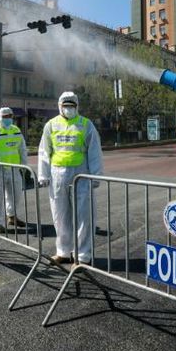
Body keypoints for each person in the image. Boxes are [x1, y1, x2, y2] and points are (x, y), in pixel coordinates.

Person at [38, 91, 104, 265]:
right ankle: (63, 252)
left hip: (81, 174)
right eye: (65, 106)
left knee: (84, 215)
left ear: (77, 106)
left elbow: (94, 151)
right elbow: (44, 151)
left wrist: (96, 175)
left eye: (71, 106)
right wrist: (43, 174)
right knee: (60, 215)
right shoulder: (51, 125)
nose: (68, 109)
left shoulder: (85, 124)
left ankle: (82, 256)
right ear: (60, 106)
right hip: (57, 174)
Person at [0, 107, 28, 231]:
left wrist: (24, 165)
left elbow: (22, 149)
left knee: (16, 194)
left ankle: (12, 216)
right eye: (5, 117)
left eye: (10, 117)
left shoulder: (16, 130)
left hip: (14, 168)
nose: (8, 119)